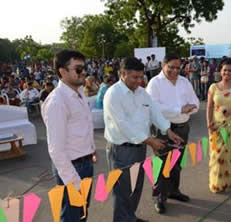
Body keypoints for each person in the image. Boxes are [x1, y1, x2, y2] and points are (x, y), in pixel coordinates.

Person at [103, 57, 183, 222]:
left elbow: (154, 112)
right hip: (122, 150)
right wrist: (150, 141)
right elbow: (122, 125)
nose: (140, 81)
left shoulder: (142, 93)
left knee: (135, 187)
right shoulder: (113, 94)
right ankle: (122, 219)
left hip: (139, 147)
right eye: (135, 77)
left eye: (141, 77)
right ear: (123, 74)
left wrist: (167, 130)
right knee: (123, 191)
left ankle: (129, 217)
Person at [42, 49, 97, 222]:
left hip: (85, 162)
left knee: (82, 212)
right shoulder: (57, 101)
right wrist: (73, 181)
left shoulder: (79, 92)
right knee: (71, 216)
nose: (84, 72)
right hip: (71, 167)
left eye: (84, 68)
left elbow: (83, 127)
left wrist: (91, 150)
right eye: (78, 69)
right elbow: (56, 149)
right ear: (62, 71)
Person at [146, 54, 199, 214]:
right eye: (171, 67)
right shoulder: (155, 83)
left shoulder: (184, 82)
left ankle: (173, 191)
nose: (175, 71)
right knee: (161, 164)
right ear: (163, 65)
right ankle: (159, 197)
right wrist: (179, 109)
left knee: (176, 163)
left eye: (178, 67)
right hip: (163, 129)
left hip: (182, 127)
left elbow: (195, 102)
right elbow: (153, 106)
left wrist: (191, 107)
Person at [206, 58, 231, 193]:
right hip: (217, 127)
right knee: (217, 157)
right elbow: (209, 107)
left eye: (229, 70)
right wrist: (209, 123)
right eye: (224, 70)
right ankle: (217, 184)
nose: (227, 73)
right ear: (220, 71)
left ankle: (230, 183)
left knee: (230, 157)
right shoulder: (213, 87)